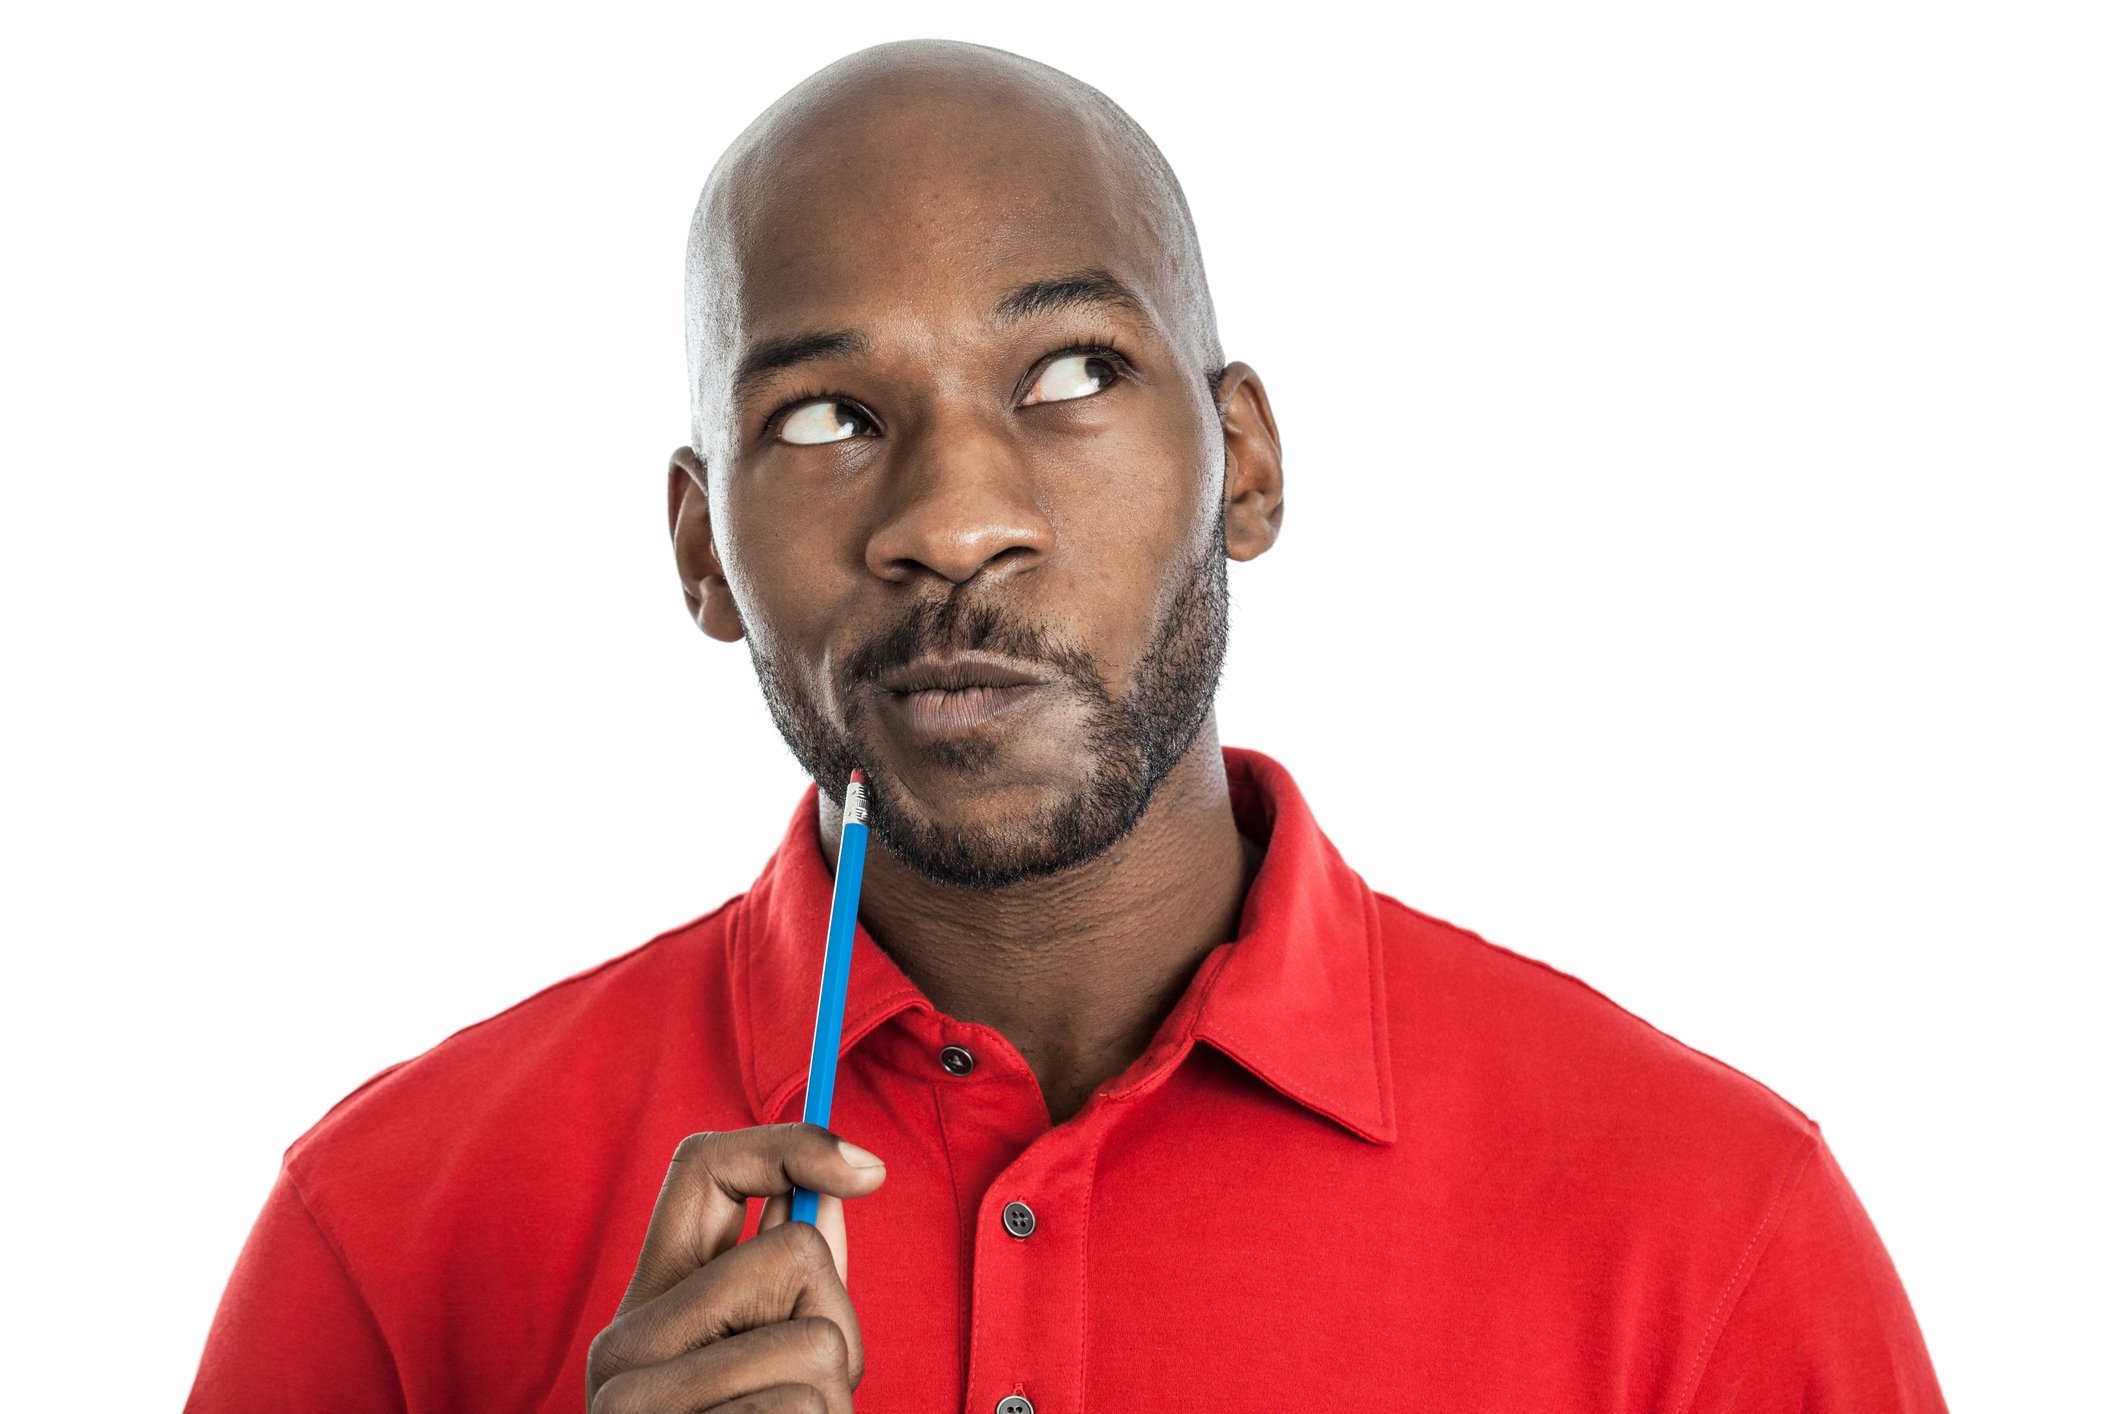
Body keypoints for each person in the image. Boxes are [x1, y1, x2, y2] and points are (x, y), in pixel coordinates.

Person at [186, 38, 1948, 1414]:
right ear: (700, 548)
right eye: (822, 418)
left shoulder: (1709, 1224)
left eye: (1070, 376)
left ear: (1241, 463)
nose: (953, 521)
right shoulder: (387, 1229)